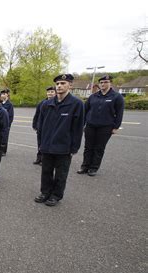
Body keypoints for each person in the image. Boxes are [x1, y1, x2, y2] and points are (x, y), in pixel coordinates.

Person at [35, 74, 84, 206]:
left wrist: (74, 148)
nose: (59, 86)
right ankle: (45, 192)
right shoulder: (46, 104)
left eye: (63, 83)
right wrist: (40, 144)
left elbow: (78, 128)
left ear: (70, 85)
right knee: (46, 172)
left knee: (61, 174)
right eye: (58, 84)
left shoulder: (76, 104)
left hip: (64, 147)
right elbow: (41, 126)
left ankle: (56, 195)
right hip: (47, 146)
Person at [77, 75, 124, 176]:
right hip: (90, 126)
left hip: (105, 127)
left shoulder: (116, 96)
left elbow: (119, 113)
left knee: (99, 148)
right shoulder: (93, 96)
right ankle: (85, 166)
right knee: (88, 147)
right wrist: (82, 124)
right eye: (101, 82)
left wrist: (116, 127)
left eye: (105, 82)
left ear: (110, 83)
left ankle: (93, 168)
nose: (103, 84)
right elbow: (85, 110)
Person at [32, 86, 56, 165]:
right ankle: (39, 158)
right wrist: (35, 125)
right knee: (40, 143)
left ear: (55, 93)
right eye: (48, 92)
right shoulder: (42, 103)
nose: (50, 93)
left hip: (51, 128)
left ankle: (44, 160)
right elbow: (37, 114)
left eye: (52, 92)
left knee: (48, 144)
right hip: (41, 127)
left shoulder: (57, 103)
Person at [0, 88, 14, 156]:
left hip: (6, 125)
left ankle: (3, 151)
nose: (2, 95)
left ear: (7, 95)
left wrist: (8, 125)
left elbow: (11, 116)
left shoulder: (9, 104)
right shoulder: (0, 103)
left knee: (4, 137)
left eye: (4, 94)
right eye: (2, 94)